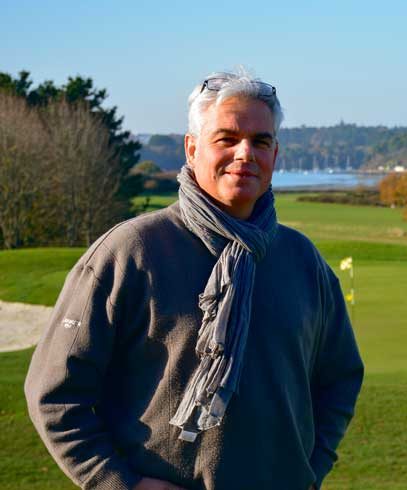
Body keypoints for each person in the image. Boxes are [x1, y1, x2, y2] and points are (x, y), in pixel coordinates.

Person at [24, 70, 364, 490]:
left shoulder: (302, 259)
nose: (245, 154)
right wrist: (119, 484)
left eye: (261, 141)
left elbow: (341, 377)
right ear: (191, 148)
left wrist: (310, 468)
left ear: (275, 155)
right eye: (227, 138)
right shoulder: (131, 251)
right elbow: (54, 394)